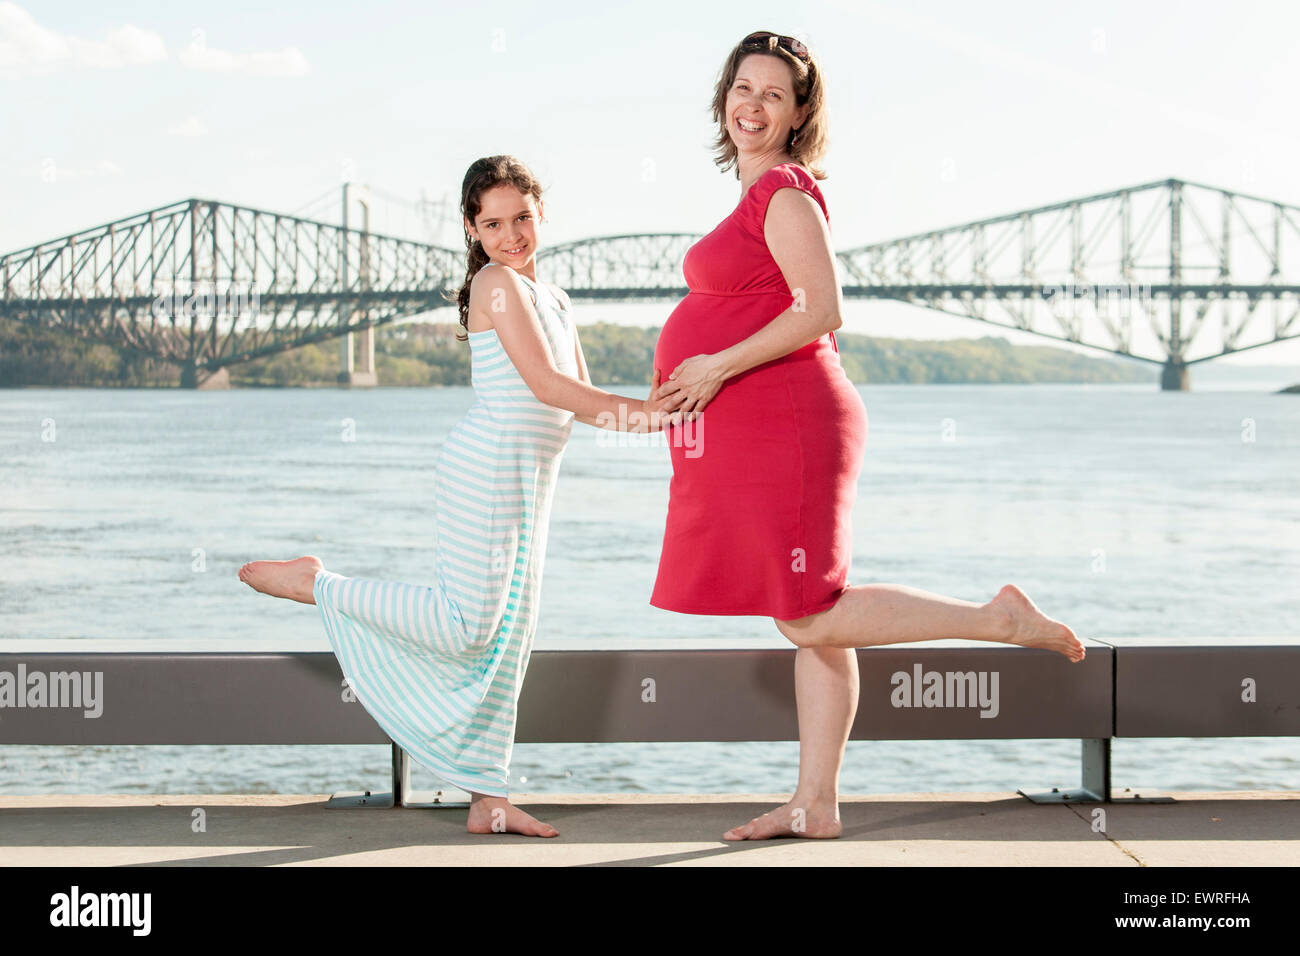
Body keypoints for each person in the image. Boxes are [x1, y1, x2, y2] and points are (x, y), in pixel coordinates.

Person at [648, 32, 1085, 842]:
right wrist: (686, 374)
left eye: (773, 94)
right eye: (742, 88)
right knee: (809, 611)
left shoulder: (783, 189)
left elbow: (819, 310)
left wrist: (710, 369)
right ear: (723, 98)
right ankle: (817, 803)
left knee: (809, 612)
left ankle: (997, 620)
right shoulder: (755, 192)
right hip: (768, 420)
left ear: (798, 112)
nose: (752, 104)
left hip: (792, 420)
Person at [239, 155, 677, 837]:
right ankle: (319, 584)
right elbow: (548, 388)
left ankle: (488, 798)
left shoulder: (556, 300)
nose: (512, 235)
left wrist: (664, 411)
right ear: (473, 231)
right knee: (469, 627)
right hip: (490, 468)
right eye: (494, 223)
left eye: (523, 218)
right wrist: (652, 418)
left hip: (534, 478)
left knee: (511, 637)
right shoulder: (496, 285)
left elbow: (585, 404)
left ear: (541, 214)